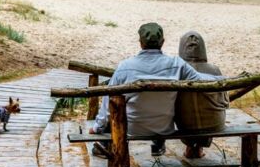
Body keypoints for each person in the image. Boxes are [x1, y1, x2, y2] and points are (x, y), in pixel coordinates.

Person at [92, 23, 218, 156]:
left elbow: (107, 102)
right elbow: (201, 80)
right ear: (162, 42)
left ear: (140, 43)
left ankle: (105, 145)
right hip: (163, 128)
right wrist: (222, 78)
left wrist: (97, 127)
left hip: (132, 129)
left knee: (113, 110)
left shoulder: (125, 66)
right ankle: (158, 145)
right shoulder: (177, 64)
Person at [175, 31, 230, 159]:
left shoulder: (176, 71)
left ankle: (190, 146)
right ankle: (199, 147)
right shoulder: (214, 70)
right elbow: (225, 102)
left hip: (185, 127)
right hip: (214, 125)